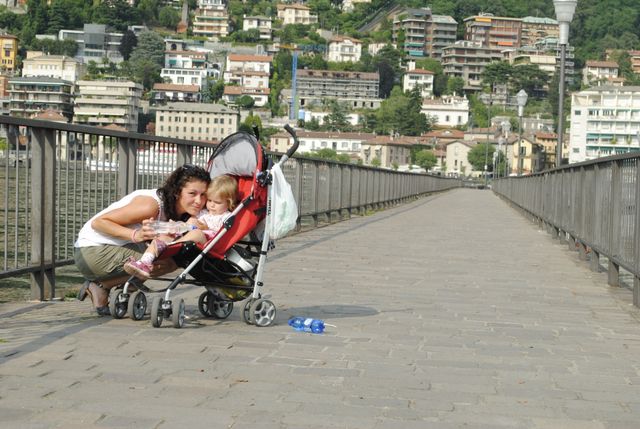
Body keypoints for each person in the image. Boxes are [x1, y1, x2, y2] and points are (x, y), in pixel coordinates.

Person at [74, 164, 211, 315]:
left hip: (111, 248)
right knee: (164, 261)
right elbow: (98, 223)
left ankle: (122, 292)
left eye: (203, 195)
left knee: (171, 255)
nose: (199, 201)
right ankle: (101, 286)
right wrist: (136, 235)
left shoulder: (182, 213)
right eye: (192, 193)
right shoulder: (151, 205)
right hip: (93, 250)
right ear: (177, 192)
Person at [124, 175, 238, 280]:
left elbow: (222, 235)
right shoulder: (203, 212)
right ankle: (144, 262)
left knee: (196, 233)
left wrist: (204, 227)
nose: (211, 205)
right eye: (209, 200)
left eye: (217, 202)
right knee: (164, 235)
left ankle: (170, 246)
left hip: (208, 243)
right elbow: (188, 225)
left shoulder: (226, 217)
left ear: (229, 202)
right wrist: (177, 226)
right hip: (187, 238)